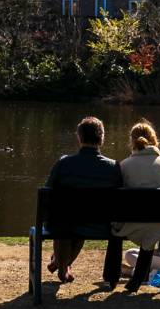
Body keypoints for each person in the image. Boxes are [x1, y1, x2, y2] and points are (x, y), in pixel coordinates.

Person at [45, 116, 123, 286]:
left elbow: (48, 192)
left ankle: (61, 263)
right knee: (78, 220)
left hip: (64, 222)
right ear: (101, 138)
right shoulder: (113, 167)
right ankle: (63, 265)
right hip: (98, 224)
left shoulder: (64, 163)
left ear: (79, 138)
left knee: (66, 219)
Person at [113, 120, 160, 291]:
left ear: (132, 141)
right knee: (152, 231)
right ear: (154, 140)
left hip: (133, 223)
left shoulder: (124, 166)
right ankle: (141, 277)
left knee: (138, 228)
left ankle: (123, 276)